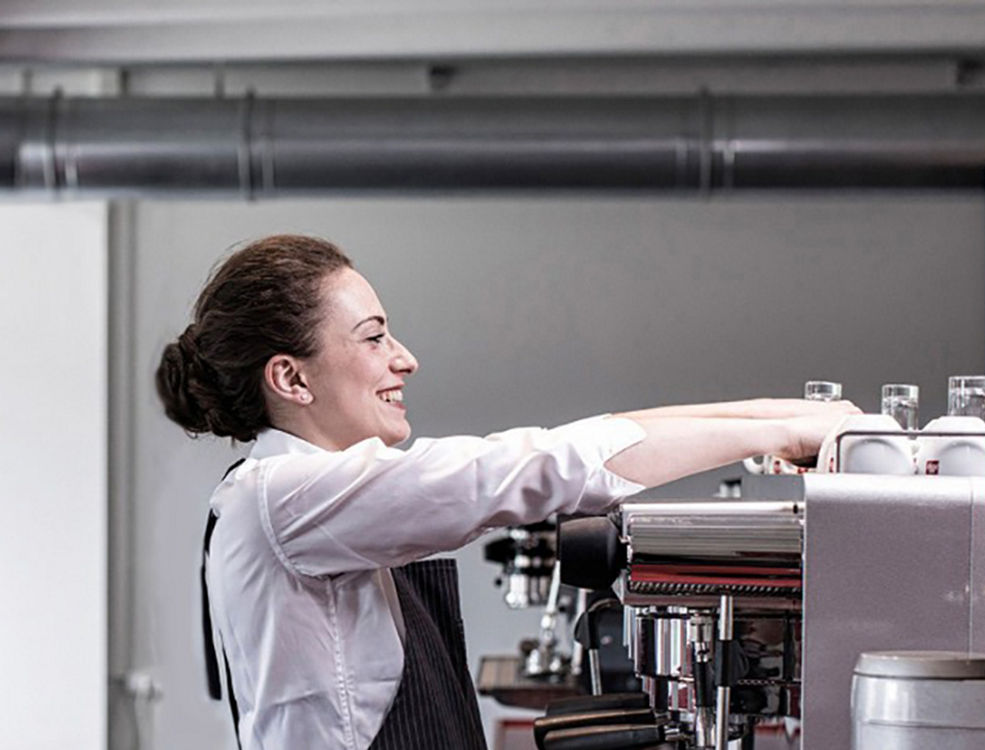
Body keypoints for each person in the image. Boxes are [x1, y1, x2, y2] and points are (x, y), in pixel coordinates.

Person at [155, 234, 857, 750]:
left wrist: (779, 419)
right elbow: (534, 466)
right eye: (373, 338)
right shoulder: (287, 495)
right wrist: (784, 425)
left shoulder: (310, 496)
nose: (405, 358)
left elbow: (570, 444)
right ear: (292, 379)